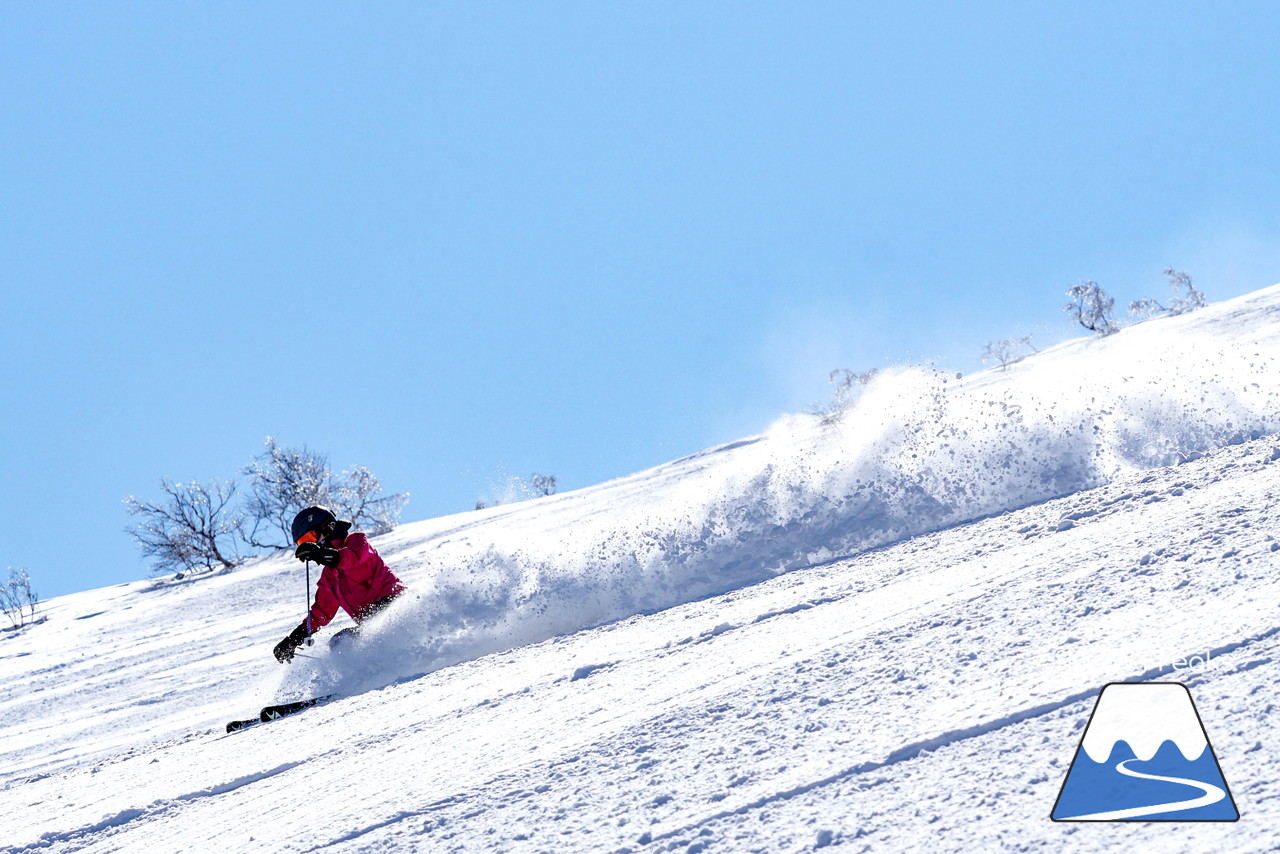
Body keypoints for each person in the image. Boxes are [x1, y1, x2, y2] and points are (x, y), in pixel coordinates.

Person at [273, 505, 406, 663]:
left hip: (397, 606)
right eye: (303, 542)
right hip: (371, 622)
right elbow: (320, 613)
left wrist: (321, 554)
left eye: (310, 537)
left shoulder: (357, 542)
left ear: (328, 527)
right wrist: (293, 639)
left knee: (349, 639)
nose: (310, 544)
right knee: (340, 643)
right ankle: (369, 675)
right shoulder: (329, 578)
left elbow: (352, 557)